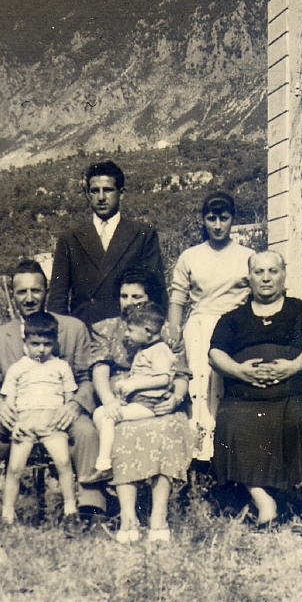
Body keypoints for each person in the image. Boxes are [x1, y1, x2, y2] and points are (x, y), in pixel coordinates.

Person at [0, 260, 104, 532]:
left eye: (36, 291)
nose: (29, 298)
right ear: (13, 294)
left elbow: (87, 376)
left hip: (61, 411)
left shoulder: (73, 328)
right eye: (22, 292)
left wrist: (76, 404)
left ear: (46, 291)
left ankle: (90, 508)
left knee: (87, 431)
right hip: (16, 414)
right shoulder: (0, 335)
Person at [210, 250, 302, 526]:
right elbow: (215, 353)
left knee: (298, 417)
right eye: (259, 272)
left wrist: (292, 367)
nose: (266, 278)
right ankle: (263, 501)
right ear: (249, 278)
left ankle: (292, 494)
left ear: (284, 275)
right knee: (231, 419)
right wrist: (239, 371)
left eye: (273, 271)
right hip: (245, 395)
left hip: (292, 391)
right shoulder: (233, 318)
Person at [89, 285, 191, 545]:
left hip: (158, 402)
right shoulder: (107, 328)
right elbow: (100, 371)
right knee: (121, 431)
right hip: (122, 401)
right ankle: (128, 517)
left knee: (167, 429)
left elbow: (178, 375)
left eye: (137, 297)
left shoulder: (168, 332)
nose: (129, 302)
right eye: (124, 296)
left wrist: (176, 399)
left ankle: (159, 517)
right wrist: (110, 400)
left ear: (149, 300)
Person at [164, 191, 254, 462]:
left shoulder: (247, 255)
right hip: (199, 329)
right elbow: (178, 298)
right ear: (203, 220)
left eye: (223, 219)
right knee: (199, 389)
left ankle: (228, 455)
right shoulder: (190, 256)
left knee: (227, 389)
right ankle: (197, 456)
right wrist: (174, 333)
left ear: (232, 220)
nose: (217, 225)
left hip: (235, 328)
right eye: (211, 218)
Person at [47, 160, 165, 326]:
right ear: (88, 194)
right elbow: (58, 298)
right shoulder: (69, 239)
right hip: (84, 329)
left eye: (108, 190)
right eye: (95, 191)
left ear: (121, 193)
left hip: (129, 328)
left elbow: (156, 292)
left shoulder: (143, 234)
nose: (101, 198)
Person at [0, 312, 80, 527]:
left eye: (46, 344)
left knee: (63, 462)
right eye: (35, 344)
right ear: (25, 342)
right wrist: (15, 424)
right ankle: (7, 513)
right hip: (25, 423)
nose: (41, 349)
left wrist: (65, 415)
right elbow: (10, 401)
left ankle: (70, 509)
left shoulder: (61, 366)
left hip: (52, 423)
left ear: (54, 342)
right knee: (14, 468)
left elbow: (69, 398)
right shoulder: (17, 369)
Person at [86, 303, 177, 482]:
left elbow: (164, 378)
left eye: (130, 330)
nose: (126, 334)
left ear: (148, 331)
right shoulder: (146, 349)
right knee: (99, 413)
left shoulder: (160, 350)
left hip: (150, 404)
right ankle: (110, 458)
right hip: (140, 402)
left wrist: (134, 384)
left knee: (107, 417)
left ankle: (104, 466)